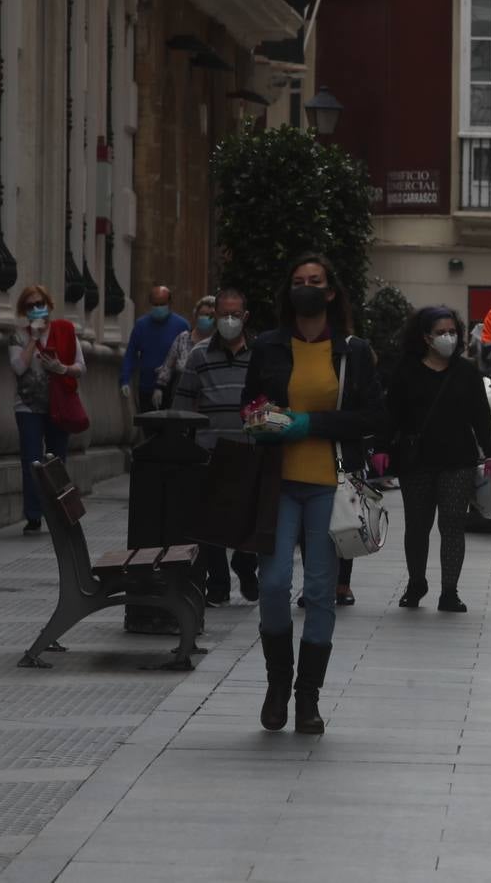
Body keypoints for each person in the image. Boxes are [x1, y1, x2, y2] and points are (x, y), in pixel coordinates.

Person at [242, 254, 384, 735]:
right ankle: (277, 684)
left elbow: (370, 417)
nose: (306, 287)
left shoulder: (352, 350)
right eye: (298, 281)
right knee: (275, 582)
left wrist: (310, 424)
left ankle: (307, 698)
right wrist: (262, 420)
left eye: (315, 281)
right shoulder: (268, 346)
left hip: (332, 483)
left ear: (330, 292)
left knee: (321, 591)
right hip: (277, 481)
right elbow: (248, 403)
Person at [385, 306, 491, 613]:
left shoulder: (467, 373)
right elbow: (390, 415)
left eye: (452, 331)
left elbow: (481, 417)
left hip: (458, 460)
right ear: (425, 337)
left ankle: (449, 591)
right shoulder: (406, 370)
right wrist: (380, 450)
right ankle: (416, 583)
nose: (448, 337)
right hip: (416, 460)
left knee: (452, 524)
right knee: (417, 526)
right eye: (440, 332)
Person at [172, 288, 259, 605]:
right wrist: (183, 444)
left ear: (245, 317)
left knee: (249, 518)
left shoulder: (258, 354)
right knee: (212, 524)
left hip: (249, 449)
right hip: (210, 450)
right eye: (224, 314)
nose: (230, 320)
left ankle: (247, 568)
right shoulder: (199, 355)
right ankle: (218, 584)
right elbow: (183, 403)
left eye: (236, 315)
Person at [9, 286, 86, 534]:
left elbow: (81, 367)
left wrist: (61, 368)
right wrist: (33, 337)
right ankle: (33, 516)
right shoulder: (18, 336)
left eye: (39, 303)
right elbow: (19, 368)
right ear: (24, 310)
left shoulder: (64, 330)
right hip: (28, 407)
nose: (35, 308)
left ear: (49, 304)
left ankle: (61, 514)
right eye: (30, 306)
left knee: (56, 461)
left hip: (58, 405)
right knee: (31, 461)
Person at [120, 284, 189, 412]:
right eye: (155, 304)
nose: (158, 308)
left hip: (172, 389)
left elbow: (186, 356)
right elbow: (131, 353)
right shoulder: (141, 325)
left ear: (170, 303)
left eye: (162, 304)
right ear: (150, 304)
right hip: (147, 386)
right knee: (149, 424)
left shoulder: (181, 325)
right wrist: (125, 380)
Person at [155, 295, 217, 409]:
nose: (206, 318)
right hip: (180, 397)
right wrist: (159, 388)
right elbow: (168, 365)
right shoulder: (183, 338)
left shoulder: (218, 343)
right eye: (203, 314)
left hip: (208, 400)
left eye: (210, 315)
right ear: (196, 316)